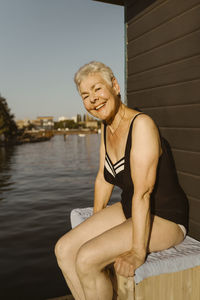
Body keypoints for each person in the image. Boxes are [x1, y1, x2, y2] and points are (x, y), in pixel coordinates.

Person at [55, 61, 189, 300]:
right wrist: (94, 222)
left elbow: (143, 194)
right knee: (64, 250)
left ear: (115, 86)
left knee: (87, 258)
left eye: (98, 89)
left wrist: (138, 252)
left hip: (165, 217)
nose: (93, 99)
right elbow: (103, 179)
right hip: (130, 208)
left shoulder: (142, 125)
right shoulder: (106, 129)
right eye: (86, 95)